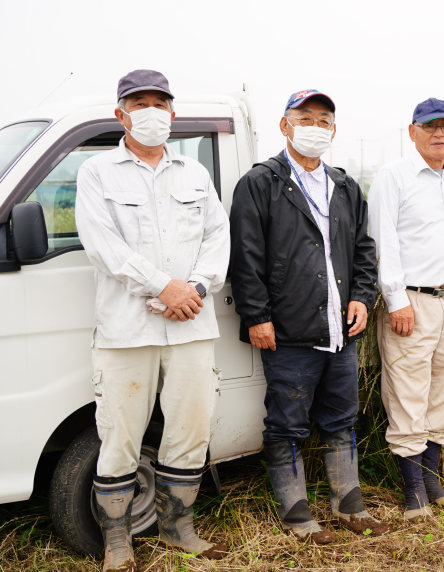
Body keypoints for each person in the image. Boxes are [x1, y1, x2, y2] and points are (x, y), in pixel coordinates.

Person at [75, 70, 230, 572]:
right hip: (126, 330)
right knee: (119, 436)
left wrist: (197, 289)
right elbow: (104, 246)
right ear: (121, 114)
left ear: (172, 113)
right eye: (139, 103)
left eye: (160, 103)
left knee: (189, 430)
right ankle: (117, 542)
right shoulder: (98, 172)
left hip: (191, 324)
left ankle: (176, 527)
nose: (151, 112)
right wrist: (164, 286)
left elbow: (217, 239)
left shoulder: (194, 173)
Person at [229, 90, 388, 543]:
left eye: (324, 120)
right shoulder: (261, 183)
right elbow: (246, 257)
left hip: (341, 327)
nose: (315, 127)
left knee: (342, 418)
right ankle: (298, 515)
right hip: (288, 329)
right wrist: (257, 315)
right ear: (285, 125)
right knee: (287, 421)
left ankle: (348, 504)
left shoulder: (344, 185)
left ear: (333, 131)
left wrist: (361, 296)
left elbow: (363, 250)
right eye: (305, 118)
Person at [368, 98, 444, 522]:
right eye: (429, 126)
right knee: (408, 392)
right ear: (412, 132)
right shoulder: (394, 177)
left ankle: (432, 481)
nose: (438, 133)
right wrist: (396, 300)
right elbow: (382, 240)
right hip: (412, 299)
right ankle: (413, 494)